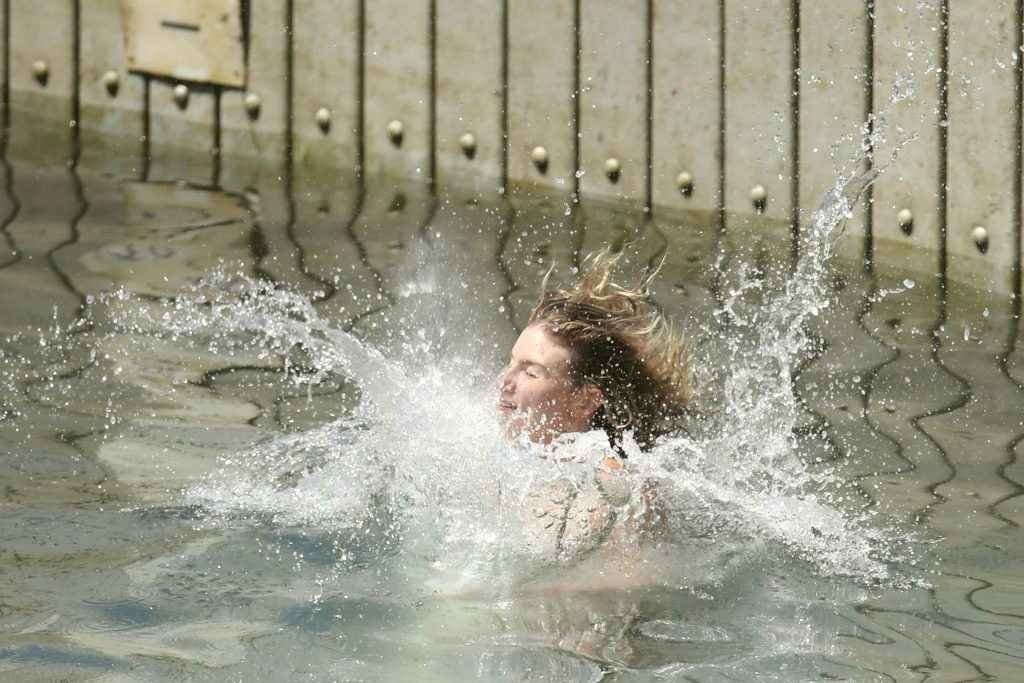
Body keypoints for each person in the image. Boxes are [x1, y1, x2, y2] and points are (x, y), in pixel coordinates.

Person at [497, 249, 695, 563]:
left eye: (531, 371)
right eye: (510, 363)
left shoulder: (619, 488)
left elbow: (633, 580)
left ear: (585, 400)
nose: (506, 381)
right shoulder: (505, 460)